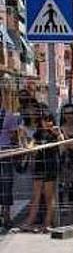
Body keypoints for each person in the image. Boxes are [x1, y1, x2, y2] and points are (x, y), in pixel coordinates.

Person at [21, 110, 62, 232]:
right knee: (36, 195)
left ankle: (48, 223)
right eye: (45, 120)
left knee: (49, 196)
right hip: (39, 165)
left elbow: (62, 146)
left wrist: (57, 133)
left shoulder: (55, 134)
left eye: (49, 119)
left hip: (51, 165)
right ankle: (30, 221)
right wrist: (23, 138)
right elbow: (31, 149)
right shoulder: (37, 134)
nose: (47, 122)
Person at [0, 98, 20, 231]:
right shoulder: (9, 115)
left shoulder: (9, 115)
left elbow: (13, 135)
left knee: (6, 183)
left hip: (5, 151)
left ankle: (6, 215)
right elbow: (13, 135)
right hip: (6, 149)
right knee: (6, 183)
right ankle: (5, 216)